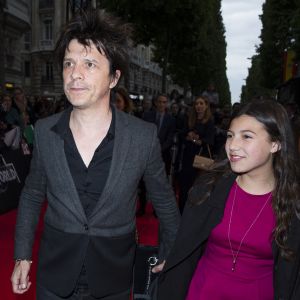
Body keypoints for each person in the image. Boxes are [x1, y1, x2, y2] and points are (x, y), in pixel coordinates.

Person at [11, 9, 180, 300]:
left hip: (113, 279)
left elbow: (164, 201)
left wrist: (169, 252)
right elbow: (32, 194)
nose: (75, 74)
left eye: (89, 64)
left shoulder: (142, 136)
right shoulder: (45, 130)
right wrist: (22, 255)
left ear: (114, 78)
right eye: (68, 63)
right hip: (54, 276)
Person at [157, 99, 300, 299]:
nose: (232, 145)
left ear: (275, 144)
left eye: (247, 137)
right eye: (230, 136)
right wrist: (175, 265)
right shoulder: (207, 189)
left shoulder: (293, 204)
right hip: (202, 291)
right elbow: (188, 243)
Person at [178, 96, 215, 213]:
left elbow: (210, 141)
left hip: (201, 159)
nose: (198, 106)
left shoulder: (209, 122)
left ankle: (195, 214)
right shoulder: (189, 119)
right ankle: (182, 211)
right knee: (184, 186)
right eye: (196, 104)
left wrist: (196, 139)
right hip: (188, 157)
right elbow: (181, 134)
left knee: (199, 187)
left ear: (206, 106)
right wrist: (188, 134)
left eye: (201, 103)